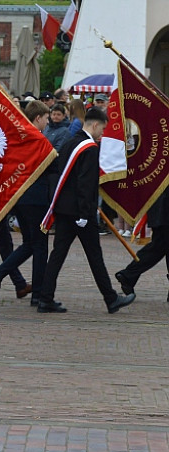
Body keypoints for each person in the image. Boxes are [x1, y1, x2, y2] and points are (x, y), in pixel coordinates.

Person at [34, 108, 135, 314]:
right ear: (95, 125)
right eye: (103, 129)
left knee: (58, 254)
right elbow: (85, 185)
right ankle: (111, 299)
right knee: (94, 256)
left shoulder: (71, 142)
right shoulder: (89, 149)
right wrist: (84, 213)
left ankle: (45, 297)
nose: (103, 134)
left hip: (64, 209)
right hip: (81, 213)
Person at [0, 101, 54, 303]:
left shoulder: (18, 137)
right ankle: (38, 294)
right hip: (36, 199)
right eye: (46, 118)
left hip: (20, 198)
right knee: (40, 246)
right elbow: (53, 164)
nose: (47, 123)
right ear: (38, 118)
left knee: (30, 244)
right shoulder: (37, 138)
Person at [115, 189, 169, 299]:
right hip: (163, 206)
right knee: (158, 247)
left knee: (157, 247)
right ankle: (128, 274)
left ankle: (128, 275)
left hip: (159, 206)